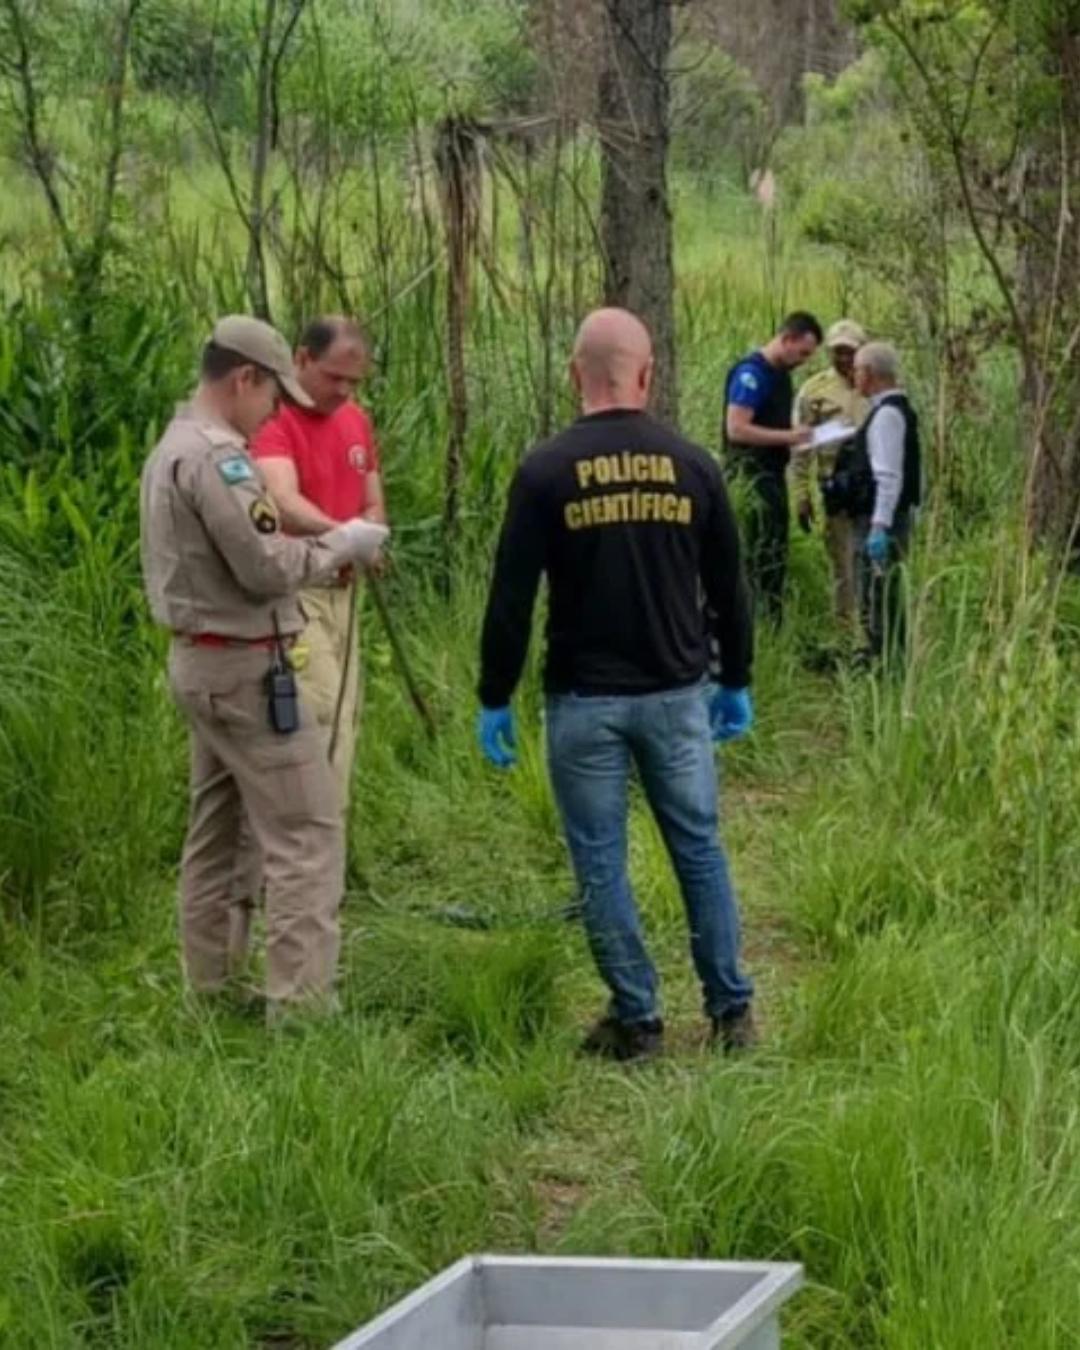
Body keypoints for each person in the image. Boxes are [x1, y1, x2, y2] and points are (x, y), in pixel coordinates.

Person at [476, 307, 756, 1062]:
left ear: (577, 375)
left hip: (585, 701)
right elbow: (731, 588)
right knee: (698, 848)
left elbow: (511, 595)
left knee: (599, 857)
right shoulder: (694, 463)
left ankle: (638, 1020)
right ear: (647, 373)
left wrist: (494, 695)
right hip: (677, 694)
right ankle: (731, 1013)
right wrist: (736, 678)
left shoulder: (545, 470)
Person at [139, 315, 387, 1020]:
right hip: (246, 666)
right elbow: (267, 565)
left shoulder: (171, 446)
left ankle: (211, 990)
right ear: (243, 378)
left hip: (200, 664)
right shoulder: (222, 459)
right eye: (270, 395)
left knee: (219, 828)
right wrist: (342, 545)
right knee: (308, 829)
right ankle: (301, 1009)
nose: (275, 411)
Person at [251, 315, 387, 803]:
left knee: (345, 716)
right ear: (302, 358)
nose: (345, 391)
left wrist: (368, 536)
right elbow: (282, 500)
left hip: (346, 595)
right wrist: (345, 537)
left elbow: (372, 497)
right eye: (334, 377)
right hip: (298, 593)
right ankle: (305, 850)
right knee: (318, 712)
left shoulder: (356, 420)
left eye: (354, 381)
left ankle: (328, 848)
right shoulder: (273, 419)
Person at [723, 312, 822, 623]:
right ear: (787, 338)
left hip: (774, 473)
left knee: (775, 554)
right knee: (757, 554)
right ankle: (753, 624)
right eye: (803, 352)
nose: (804, 361)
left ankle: (771, 622)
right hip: (751, 478)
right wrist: (789, 437)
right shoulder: (751, 374)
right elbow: (736, 428)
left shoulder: (781, 375)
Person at [844, 341, 921, 663]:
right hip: (889, 517)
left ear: (871, 373)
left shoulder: (888, 415)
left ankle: (884, 662)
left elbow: (889, 476)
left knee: (878, 595)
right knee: (879, 594)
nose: (853, 375)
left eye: (857, 369)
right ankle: (881, 656)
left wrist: (879, 526)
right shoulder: (894, 410)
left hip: (880, 521)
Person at [791, 319, 869, 633]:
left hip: (873, 490)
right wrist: (801, 495)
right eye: (838, 351)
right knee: (844, 566)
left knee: (874, 564)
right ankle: (847, 635)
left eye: (850, 351)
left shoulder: (878, 385)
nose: (844, 358)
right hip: (836, 490)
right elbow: (801, 447)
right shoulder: (814, 391)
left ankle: (875, 630)